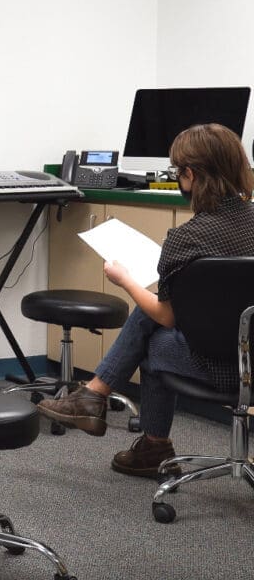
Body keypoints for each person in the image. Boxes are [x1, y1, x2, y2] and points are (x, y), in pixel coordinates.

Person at [38, 123, 254, 477]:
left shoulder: (186, 238)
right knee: (151, 322)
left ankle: (137, 432)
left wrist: (125, 280)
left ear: (190, 175)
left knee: (152, 339)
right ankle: (100, 402)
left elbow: (166, 316)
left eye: (177, 171)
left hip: (221, 367)